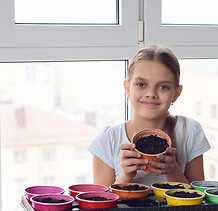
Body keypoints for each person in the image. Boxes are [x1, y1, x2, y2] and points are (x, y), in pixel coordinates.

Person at [88, 45, 211, 187]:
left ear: (176, 94)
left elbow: (200, 202)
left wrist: (173, 171)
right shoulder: (107, 140)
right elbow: (102, 205)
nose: (151, 93)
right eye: (141, 84)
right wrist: (125, 175)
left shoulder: (189, 131)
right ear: (127, 88)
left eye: (163, 87)